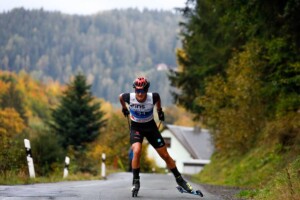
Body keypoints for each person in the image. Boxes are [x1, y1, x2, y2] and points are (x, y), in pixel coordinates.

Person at [119, 76, 193, 196]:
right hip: (136, 128)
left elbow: (158, 99)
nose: (139, 93)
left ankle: (180, 180)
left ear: (146, 90)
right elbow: (120, 97)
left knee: (165, 155)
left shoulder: (153, 97)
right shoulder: (129, 97)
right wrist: (124, 108)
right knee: (136, 151)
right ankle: (136, 181)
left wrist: (159, 111)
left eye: (142, 91)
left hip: (150, 128)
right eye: (137, 90)